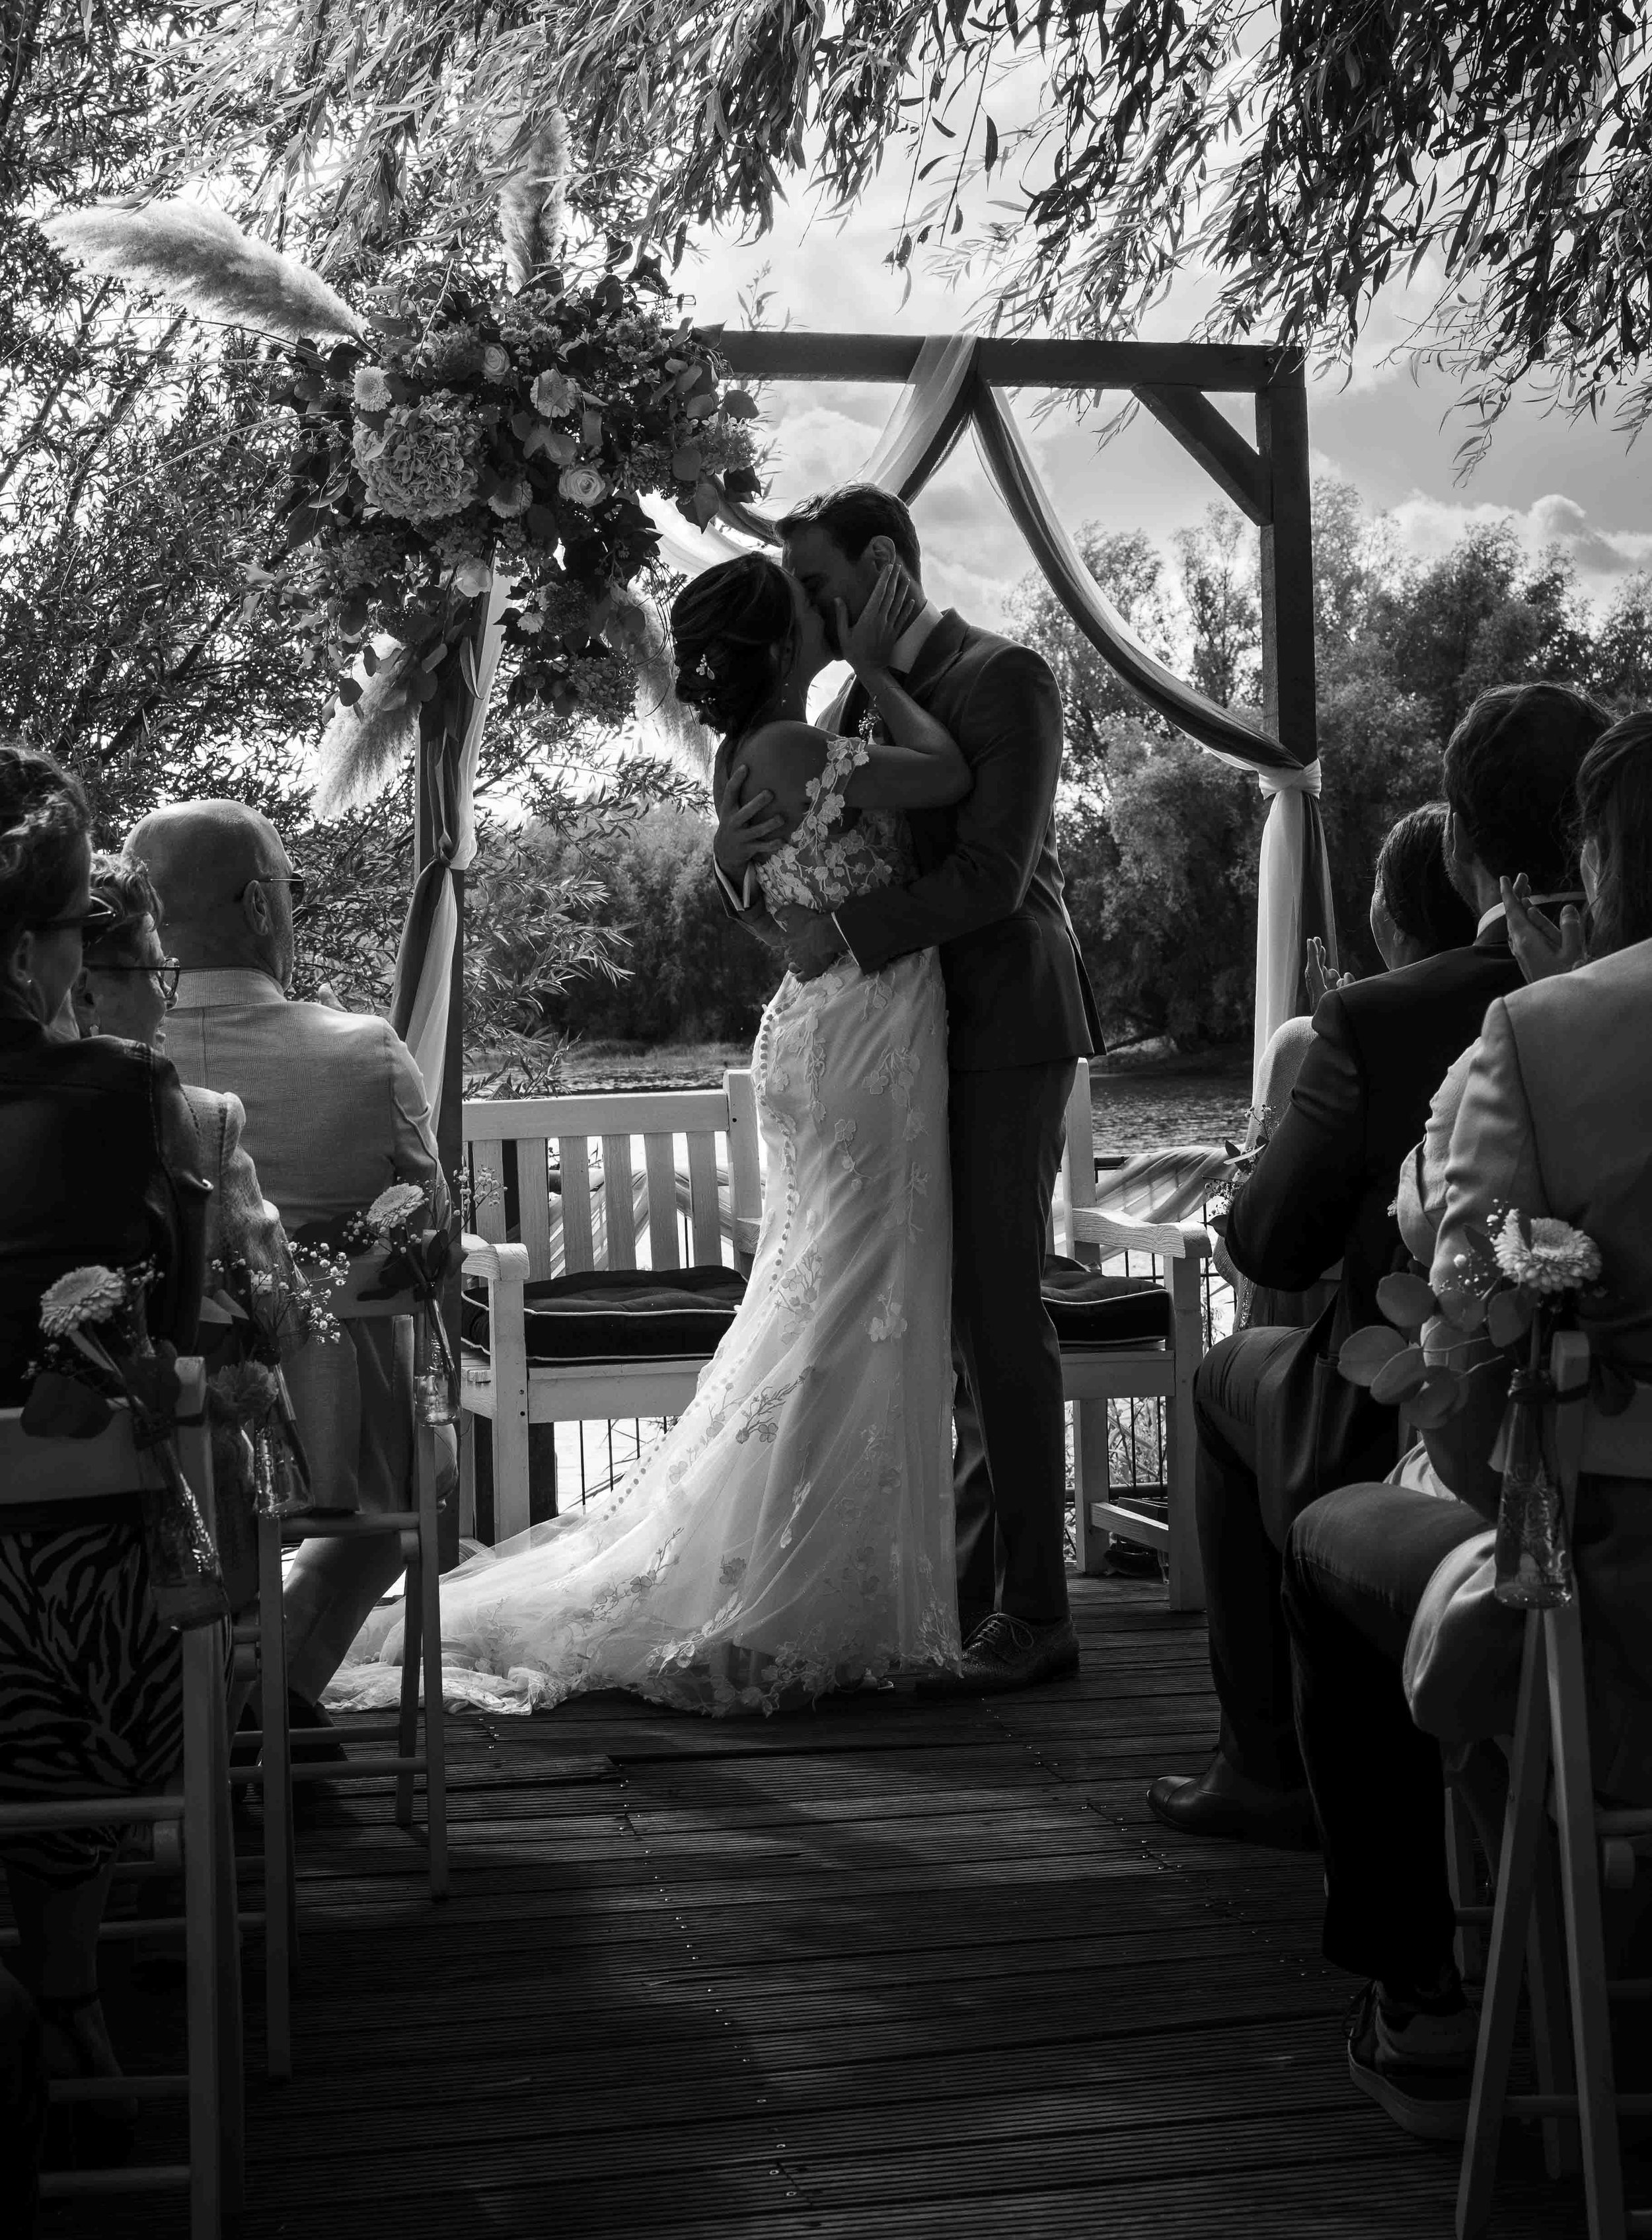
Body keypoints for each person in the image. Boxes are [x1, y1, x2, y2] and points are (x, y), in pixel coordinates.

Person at [334, 550, 967, 1716]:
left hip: (839, 1027)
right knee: (850, 1303)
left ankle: (813, 1573)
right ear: (782, 649)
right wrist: (879, 665)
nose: (830, 622)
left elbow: (772, 885)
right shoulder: (787, 747)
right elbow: (946, 775)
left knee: (833, 1299)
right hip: (861, 1032)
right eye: (813, 617)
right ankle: (789, 1587)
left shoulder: (747, 751)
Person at [1283, 708, 1652, 2139]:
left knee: (1323, 1530)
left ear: (1600, 863)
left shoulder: (1543, 1030)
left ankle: (1419, 2002)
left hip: (1601, 1596)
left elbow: (1452, 1266)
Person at [1150, 682, 1606, 1842]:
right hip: (1598, 1437)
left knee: (1225, 1382)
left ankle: (1264, 1763)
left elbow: (1271, 1241)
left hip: (1421, 1423)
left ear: (1460, 844)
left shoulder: (1389, 1019)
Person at [715, 486, 1103, 1693]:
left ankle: (1035, 1614)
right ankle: (961, 1593)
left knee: (994, 1309)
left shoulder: (1007, 680)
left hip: (1000, 1025)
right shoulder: (839, 704)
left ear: (883, 565)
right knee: (919, 1305)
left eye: (823, 589)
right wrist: (740, 881)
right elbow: (794, 848)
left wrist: (844, 932)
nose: (815, 620)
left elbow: (995, 874)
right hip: (897, 1040)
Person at [0, 748, 209, 2162]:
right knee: (94, 1569)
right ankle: (68, 1982)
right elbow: (184, 1326)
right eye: (80, 935)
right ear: (27, 954)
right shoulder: (125, 1090)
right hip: (78, 1681)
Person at [123, 800, 442, 1722]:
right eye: (291, 890)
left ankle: (205, 1704)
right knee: (426, 1465)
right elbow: (432, 1243)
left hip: (160, 1425)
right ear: (261, 908)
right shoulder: (365, 1053)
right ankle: (274, 1690)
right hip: (336, 1447)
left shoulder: (112, 1061)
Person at [1235, 804, 1477, 1328]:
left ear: (1390, 908)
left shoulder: (1348, 1029)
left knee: (1225, 1370)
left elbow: (1265, 1242)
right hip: (1488, 1315)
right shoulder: (1544, 984)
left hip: (1370, 1339)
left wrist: (1327, 1041)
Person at [75, 852, 291, 1292]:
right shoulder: (200, 1124)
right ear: (87, 996)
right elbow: (286, 1313)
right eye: (157, 972)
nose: (168, 998)